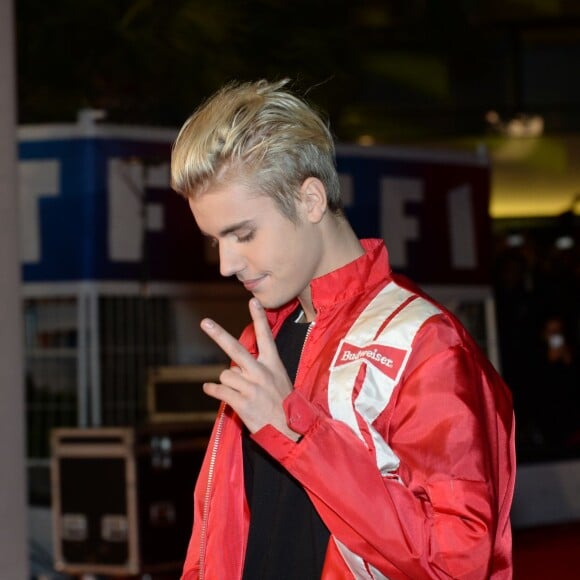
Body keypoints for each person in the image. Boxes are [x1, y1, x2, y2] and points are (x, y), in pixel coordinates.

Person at [170, 79, 516, 579]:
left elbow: (455, 560)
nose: (226, 263)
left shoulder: (422, 344)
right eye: (214, 241)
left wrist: (297, 434)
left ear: (311, 200)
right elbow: (217, 532)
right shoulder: (261, 339)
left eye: (243, 234)